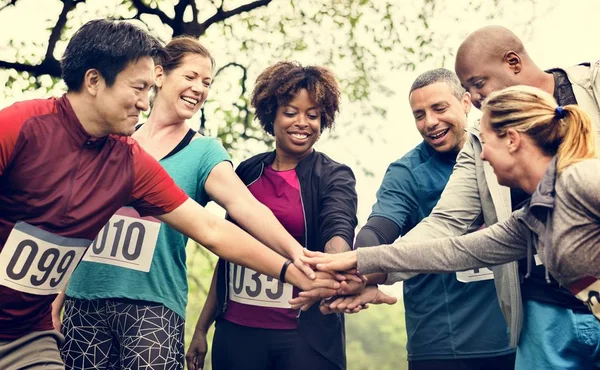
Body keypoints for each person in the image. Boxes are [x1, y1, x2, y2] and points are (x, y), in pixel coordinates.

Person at [0, 20, 336, 370]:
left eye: (207, 82)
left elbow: (212, 229)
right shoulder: (20, 127)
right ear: (95, 81)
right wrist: (60, 297)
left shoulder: (130, 162)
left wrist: (296, 268)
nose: (144, 103)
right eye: (138, 88)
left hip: (39, 335)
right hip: (81, 310)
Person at [298, 25, 600, 370]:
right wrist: (361, 266)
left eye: (477, 85)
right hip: (546, 312)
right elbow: (454, 239)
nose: (475, 98)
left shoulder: (582, 165)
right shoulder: (527, 219)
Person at [186, 61, 361, 370]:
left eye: (313, 115)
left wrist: (337, 263)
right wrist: (202, 327)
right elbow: (229, 253)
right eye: (290, 112)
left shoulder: (333, 176)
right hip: (236, 334)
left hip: (302, 340)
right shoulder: (247, 171)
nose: (302, 123)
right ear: (272, 115)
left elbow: (339, 228)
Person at [350, 68, 514, 370]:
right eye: (419, 115)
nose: (430, 122)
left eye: (439, 108)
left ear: (466, 102)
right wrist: (358, 267)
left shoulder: (508, 154)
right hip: (441, 344)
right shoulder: (407, 171)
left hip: (515, 337)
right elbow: (378, 229)